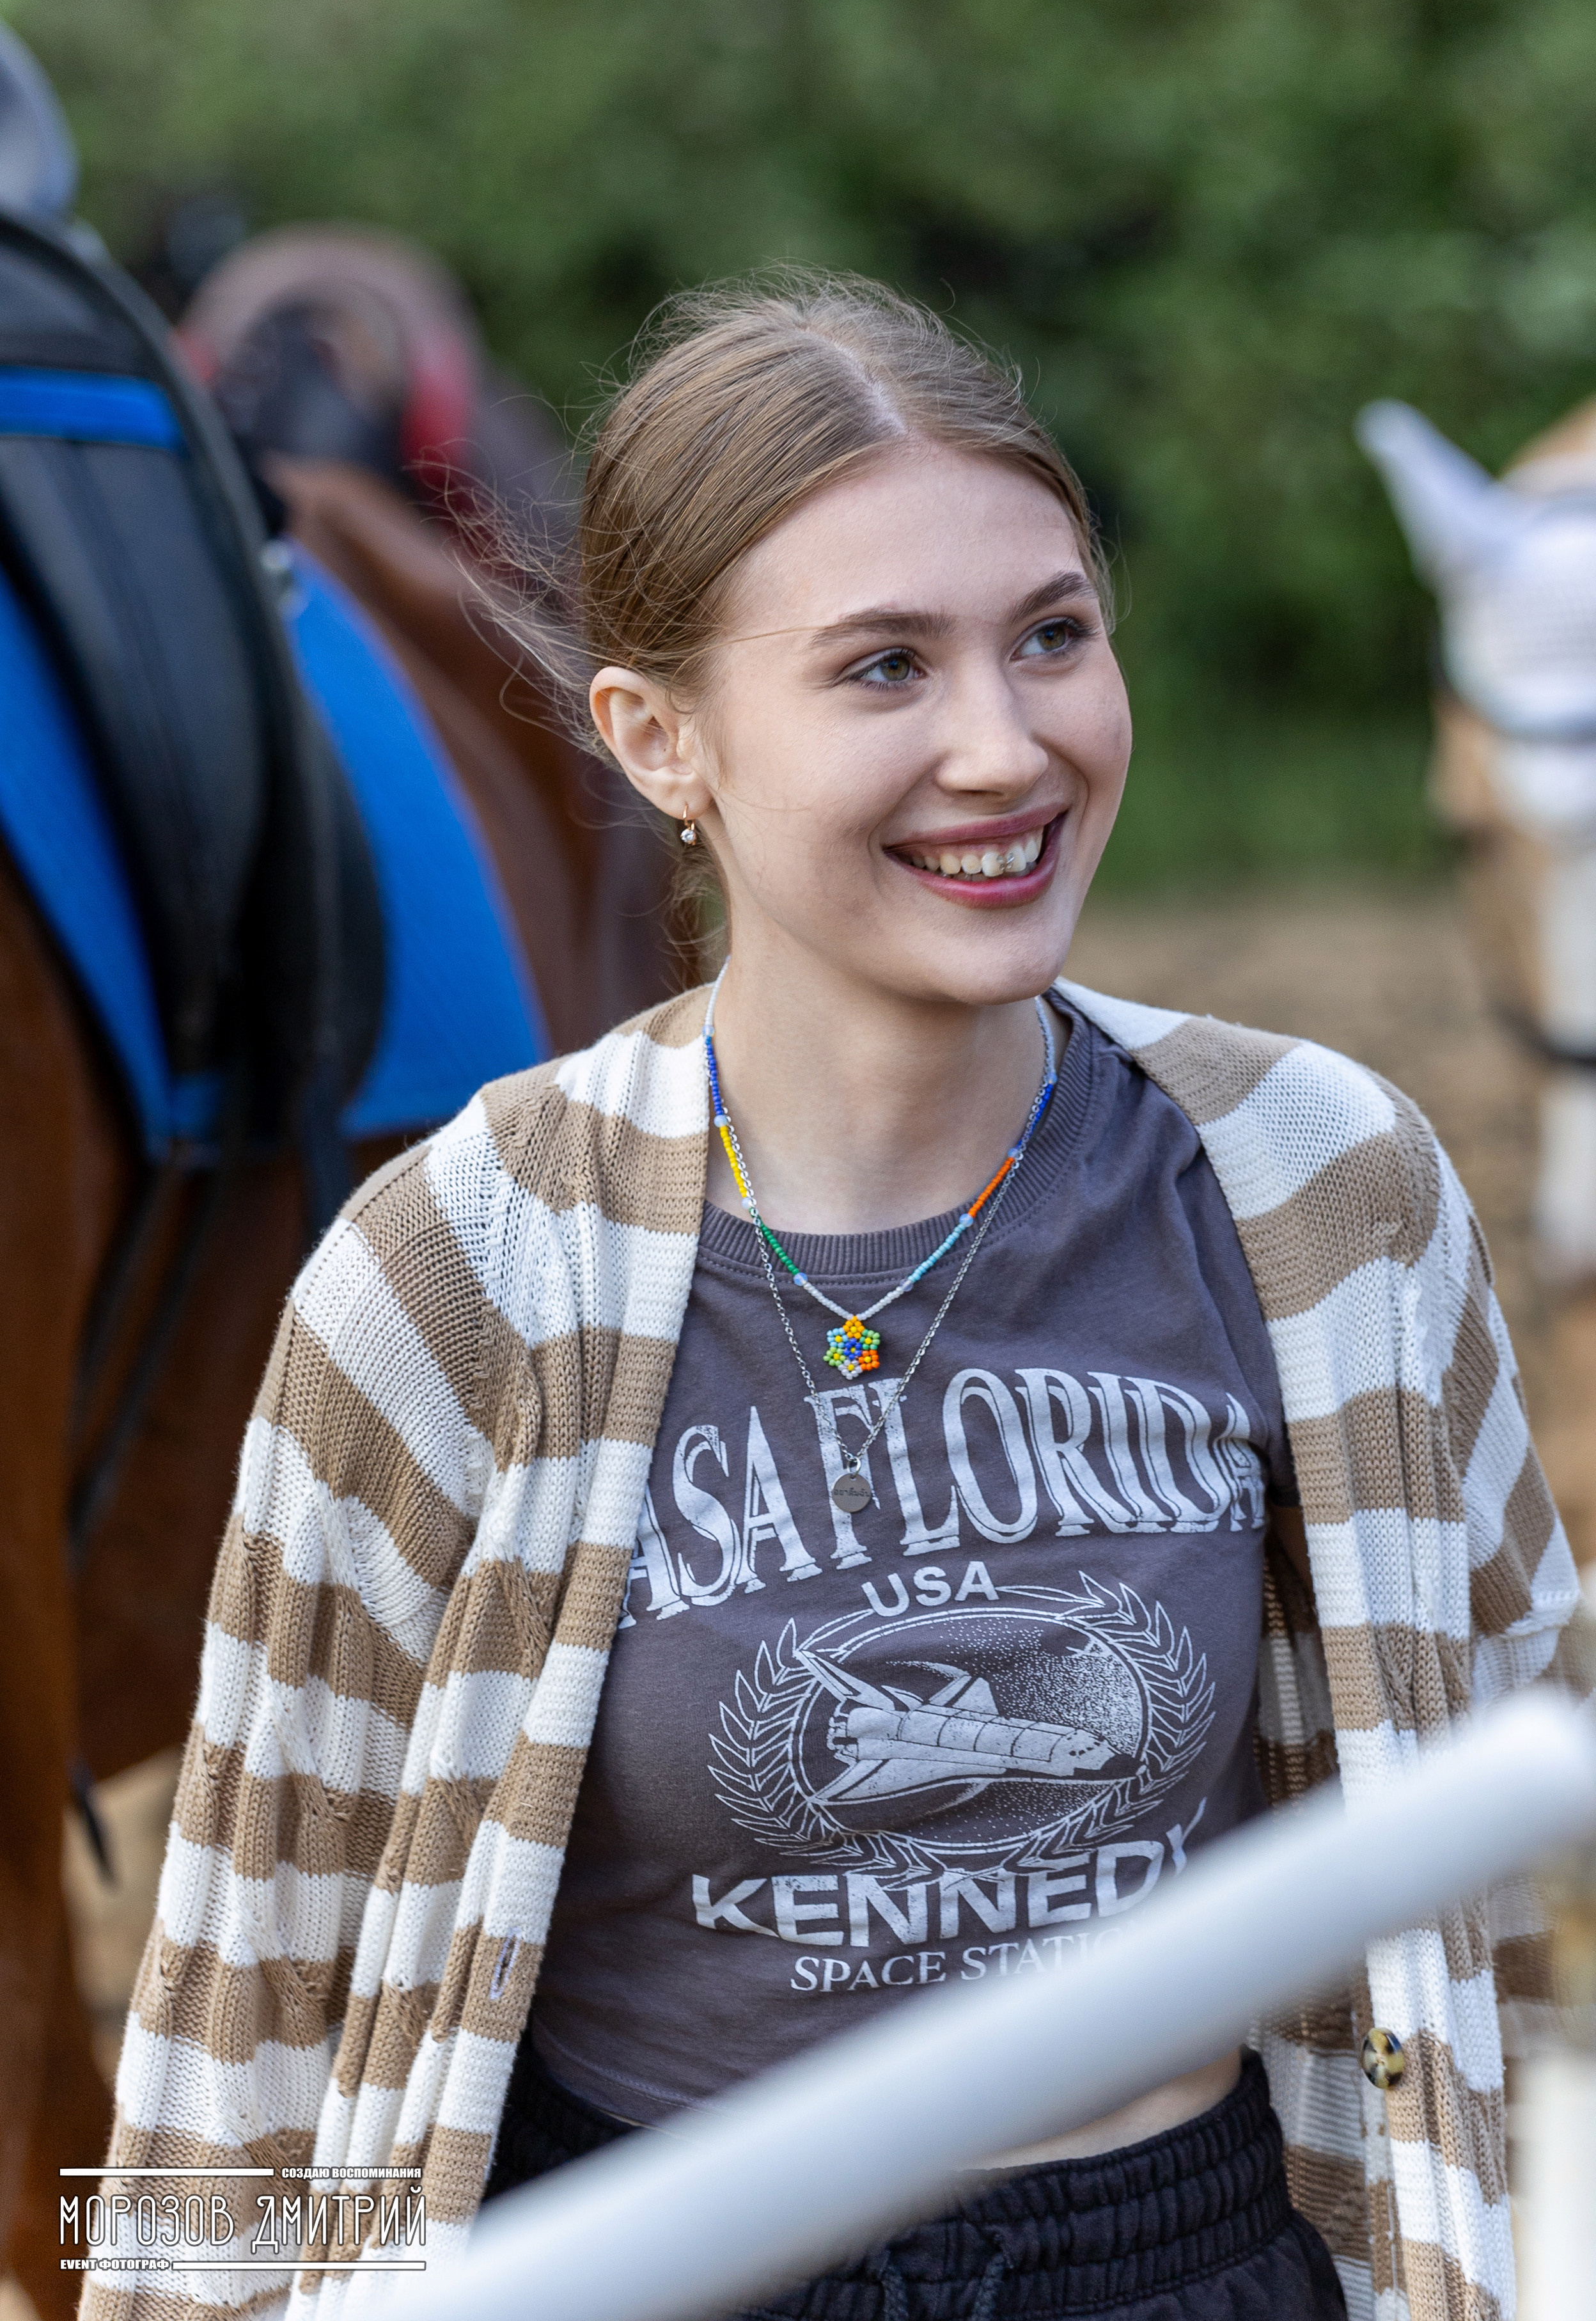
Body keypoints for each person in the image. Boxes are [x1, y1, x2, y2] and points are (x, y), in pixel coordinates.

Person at [89, 274, 1581, 2321]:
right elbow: (246, 1987)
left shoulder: (1325, 1191)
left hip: (1189, 2264)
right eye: (883, 668)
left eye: (1052, 635)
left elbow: (1489, 1818)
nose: (1006, 744)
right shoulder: (459, 1272)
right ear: (660, 738)